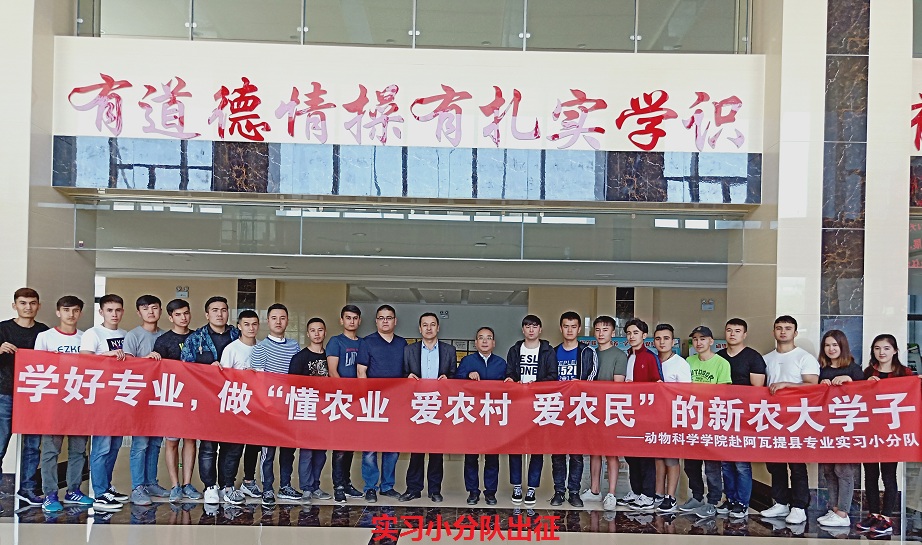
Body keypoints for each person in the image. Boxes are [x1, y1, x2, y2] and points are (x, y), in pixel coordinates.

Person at [35, 296, 94, 513]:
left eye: (75, 310)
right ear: (58, 312)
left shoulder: (86, 338)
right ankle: (50, 494)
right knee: (51, 450)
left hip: (79, 402)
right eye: (66, 310)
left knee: (78, 450)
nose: (71, 314)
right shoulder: (45, 337)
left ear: (80, 313)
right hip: (54, 403)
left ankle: (74, 490)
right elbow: (37, 368)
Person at [759, 315, 819, 525]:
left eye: (787, 328)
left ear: (795, 332)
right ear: (773, 332)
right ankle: (781, 502)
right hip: (773, 417)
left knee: (796, 464)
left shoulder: (805, 357)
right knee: (775, 463)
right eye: (779, 328)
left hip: (797, 418)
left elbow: (813, 386)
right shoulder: (765, 359)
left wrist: (787, 385)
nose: (783, 331)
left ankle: (799, 506)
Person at [181, 296, 240, 505]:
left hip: (234, 399)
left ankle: (227, 485)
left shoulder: (238, 335)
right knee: (208, 447)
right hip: (207, 400)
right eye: (215, 310)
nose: (219, 314)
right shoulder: (195, 339)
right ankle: (210, 486)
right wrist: (207, 370)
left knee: (232, 446)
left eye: (223, 310)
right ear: (207, 314)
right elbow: (185, 369)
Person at [856, 334, 912, 536]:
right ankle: (873, 514)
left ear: (895, 351)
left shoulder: (904, 373)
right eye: (877, 348)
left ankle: (886, 517)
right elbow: (857, 398)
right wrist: (865, 385)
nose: (882, 352)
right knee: (870, 474)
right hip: (870, 431)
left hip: (892, 433)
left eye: (887, 348)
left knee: (888, 475)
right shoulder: (867, 372)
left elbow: (911, 398)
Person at [0, 288, 50, 509]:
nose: (28, 307)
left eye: (32, 303)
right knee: (0, 444)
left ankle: (28, 489)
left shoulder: (44, 332)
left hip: (34, 396)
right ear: (15, 306)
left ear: (38, 305)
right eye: (23, 303)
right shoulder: (2, 329)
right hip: (5, 393)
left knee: (32, 445)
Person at [400, 312, 457, 502]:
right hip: (418, 406)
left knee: (436, 451)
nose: (429, 328)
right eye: (425, 325)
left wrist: (448, 379)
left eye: (432, 324)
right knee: (416, 450)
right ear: (420, 328)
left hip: (439, 406)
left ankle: (434, 490)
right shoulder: (409, 350)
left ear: (438, 327)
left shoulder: (449, 350)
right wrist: (407, 378)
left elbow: (455, 376)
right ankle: (413, 488)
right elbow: (402, 375)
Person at [80, 293, 129, 510]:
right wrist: (106, 356)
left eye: (117, 310)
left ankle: (107, 487)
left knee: (115, 446)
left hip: (121, 397)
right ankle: (99, 492)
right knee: (102, 446)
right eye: (109, 310)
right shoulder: (93, 333)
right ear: (101, 312)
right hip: (101, 398)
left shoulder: (126, 334)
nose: (114, 314)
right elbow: (84, 361)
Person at [151, 298, 202, 502]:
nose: (183, 318)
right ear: (171, 317)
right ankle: (175, 485)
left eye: (186, 313)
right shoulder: (163, 341)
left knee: (190, 440)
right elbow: (157, 369)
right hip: (171, 397)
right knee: (172, 442)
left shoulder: (198, 338)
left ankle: (187, 483)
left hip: (193, 397)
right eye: (178, 314)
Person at [252, 303, 302, 506]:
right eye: (274, 318)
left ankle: (285, 486)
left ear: (287, 321)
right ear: (268, 321)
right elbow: (258, 382)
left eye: (282, 318)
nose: (278, 322)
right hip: (269, 410)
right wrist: (267, 406)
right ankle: (267, 488)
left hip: (289, 408)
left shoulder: (294, 346)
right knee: (268, 452)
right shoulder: (260, 348)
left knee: (288, 450)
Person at [356, 304, 408, 503]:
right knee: (370, 447)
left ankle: (387, 486)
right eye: (381, 318)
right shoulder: (367, 342)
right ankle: (370, 487)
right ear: (376, 321)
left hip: (396, 403)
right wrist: (366, 399)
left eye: (389, 317)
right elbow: (361, 372)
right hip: (373, 403)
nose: (385, 321)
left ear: (395, 321)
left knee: (392, 447)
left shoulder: (402, 344)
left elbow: (407, 373)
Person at [679, 326, 731, 519]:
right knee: (691, 464)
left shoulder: (721, 363)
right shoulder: (688, 361)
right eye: (695, 339)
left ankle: (713, 501)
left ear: (711, 341)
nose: (698, 342)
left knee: (711, 466)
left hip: (711, 420)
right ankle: (697, 496)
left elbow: (723, 393)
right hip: (690, 419)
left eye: (702, 338)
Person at [505, 314, 557, 506]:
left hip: (539, 405)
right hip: (518, 405)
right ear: (523, 329)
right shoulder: (514, 350)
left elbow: (553, 376)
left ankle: (532, 487)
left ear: (540, 330)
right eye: (527, 326)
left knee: (537, 447)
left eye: (535, 326)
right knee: (515, 447)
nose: (531, 330)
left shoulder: (548, 351)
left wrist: (535, 385)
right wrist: (512, 380)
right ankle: (517, 485)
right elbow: (509, 373)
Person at [717, 318, 766, 519]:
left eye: (737, 331)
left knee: (741, 464)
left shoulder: (753, 357)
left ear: (744, 334)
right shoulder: (718, 357)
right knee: (726, 462)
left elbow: (757, 390)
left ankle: (742, 502)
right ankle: (729, 499)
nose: (732, 334)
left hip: (743, 417)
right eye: (729, 330)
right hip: (721, 415)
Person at [123, 295, 170, 506]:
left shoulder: (166, 336)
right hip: (140, 398)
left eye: (154, 307)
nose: (150, 312)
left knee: (155, 443)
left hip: (160, 397)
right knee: (140, 443)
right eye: (145, 308)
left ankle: (151, 482)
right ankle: (138, 487)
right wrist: (145, 361)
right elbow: (126, 366)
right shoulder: (133, 336)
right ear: (138, 312)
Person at [816, 330, 863, 528]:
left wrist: (850, 382)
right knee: (828, 470)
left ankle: (843, 513)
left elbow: (866, 394)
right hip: (826, 427)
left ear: (842, 346)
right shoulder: (821, 369)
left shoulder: (854, 369)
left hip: (847, 427)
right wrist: (820, 385)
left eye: (835, 345)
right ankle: (834, 509)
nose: (831, 349)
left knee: (843, 470)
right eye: (827, 345)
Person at [581, 315, 628, 512]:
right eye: (598, 330)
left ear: (613, 333)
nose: (601, 333)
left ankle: (611, 493)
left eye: (605, 330)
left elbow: (618, 385)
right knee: (594, 450)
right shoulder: (589, 354)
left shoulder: (620, 355)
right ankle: (594, 490)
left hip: (611, 409)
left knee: (611, 452)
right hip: (592, 408)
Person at [550, 311, 597, 508]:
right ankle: (559, 491)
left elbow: (593, 377)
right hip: (557, 409)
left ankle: (574, 492)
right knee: (557, 454)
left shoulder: (587, 352)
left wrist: (581, 384)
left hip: (579, 408)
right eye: (566, 326)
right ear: (561, 328)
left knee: (576, 454)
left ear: (579, 329)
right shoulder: (552, 352)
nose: (569, 330)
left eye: (573, 326)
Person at [455, 327, 505, 506]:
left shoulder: (501, 363)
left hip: (493, 417)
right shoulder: (467, 361)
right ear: (475, 343)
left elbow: (509, 387)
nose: (485, 341)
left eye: (488, 338)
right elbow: (455, 382)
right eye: (481, 338)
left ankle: (490, 492)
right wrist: (466, 375)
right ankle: (473, 491)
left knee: (492, 457)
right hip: (472, 416)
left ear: (494, 343)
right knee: (471, 457)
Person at [217, 310, 261, 505]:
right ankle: (227, 486)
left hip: (257, 408)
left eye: (254, 324)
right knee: (233, 449)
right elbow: (223, 379)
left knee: (254, 447)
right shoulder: (231, 349)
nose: (251, 328)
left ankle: (248, 482)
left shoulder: (262, 348)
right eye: (247, 324)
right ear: (239, 326)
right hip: (236, 406)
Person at [620, 318, 662, 510]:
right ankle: (636, 492)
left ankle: (648, 494)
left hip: (646, 414)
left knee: (645, 456)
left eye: (635, 333)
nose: (631, 336)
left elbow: (657, 384)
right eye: (629, 333)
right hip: (628, 413)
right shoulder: (628, 355)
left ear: (644, 335)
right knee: (631, 455)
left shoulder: (650, 357)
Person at [289, 317, 333, 502]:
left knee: (321, 452)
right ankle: (306, 488)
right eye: (313, 330)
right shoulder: (300, 358)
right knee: (307, 452)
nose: (317, 334)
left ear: (325, 332)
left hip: (325, 411)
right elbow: (291, 386)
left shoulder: (330, 357)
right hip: (306, 411)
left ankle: (315, 485)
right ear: (307, 333)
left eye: (320, 330)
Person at [326, 305, 364, 503]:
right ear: (342, 320)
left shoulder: (363, 343)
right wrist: (345, 394)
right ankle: (338, 486)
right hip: (341, 400)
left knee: (351, 444)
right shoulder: (336, 341)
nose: (351, 321)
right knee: (340, 445)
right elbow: (333, 371)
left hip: (358, 401)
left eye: (355, 318)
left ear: (359, 321)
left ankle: (347, 483)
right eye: (348, 318)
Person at [650, 324, 690, 514]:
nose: (662, 342)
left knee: (671, 458)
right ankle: (658, 492)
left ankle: (670, 496)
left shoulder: (680, 364)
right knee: (658, 457)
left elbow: (686, 393)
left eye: (666, 338)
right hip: (654, 417)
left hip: (673, 417)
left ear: (673, 341)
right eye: (658, 338)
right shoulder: (652, 360)